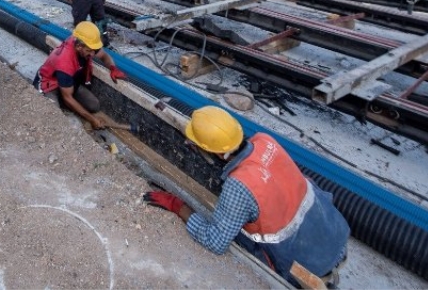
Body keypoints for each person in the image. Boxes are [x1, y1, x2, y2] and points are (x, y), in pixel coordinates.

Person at [144, 106, 350, 288]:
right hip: (334, 233)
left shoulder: (239, 186)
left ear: (213, 151)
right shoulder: (264, 141)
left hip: (307, 264)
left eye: (197, 145)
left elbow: (215, 241)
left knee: (234, 232)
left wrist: (178, 206)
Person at [33, 22, 126, 130]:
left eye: (94, 50)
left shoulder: (85, 44)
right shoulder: (65, 62)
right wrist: (92, 119)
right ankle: (59, 102)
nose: (92, 54)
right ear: (78, 47)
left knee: (94, 105)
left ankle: (65, 101)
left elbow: (105, 55)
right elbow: (68, 97)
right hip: (49, 84)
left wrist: (113, 68)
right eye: (89, 51)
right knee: (55, 118)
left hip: (67, 84)